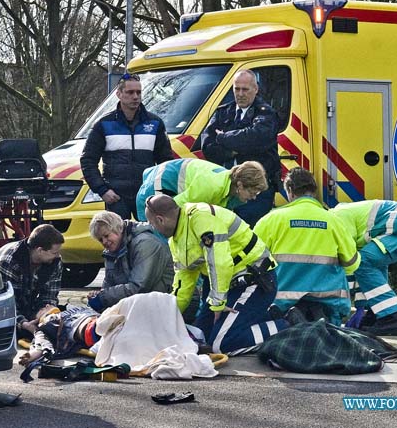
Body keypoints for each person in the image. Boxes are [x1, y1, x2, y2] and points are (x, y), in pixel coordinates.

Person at [144, 194, 287, 355]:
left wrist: (217, 303)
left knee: (223, 344)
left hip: (255, 281)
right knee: (198, 338)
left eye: (152, 223)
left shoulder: (200, 217)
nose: (153, 228)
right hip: (229, 287)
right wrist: (166, 316)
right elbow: (184, 284)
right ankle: (265, 316)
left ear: (160, 219)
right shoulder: (176, 240)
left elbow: (220, 262)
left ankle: (285, 325)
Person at [254, 168, 360, 326]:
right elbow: (352, 263)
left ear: (290, 190)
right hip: (328, 304)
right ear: (314, 190)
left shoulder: (271, 220)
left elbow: (252, 261)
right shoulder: (334, 220)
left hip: (281, 305)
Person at [331, 199, 397, 336]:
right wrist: (363, 308)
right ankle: (378, 313)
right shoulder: (342, 214)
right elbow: (363, 274)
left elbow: (351, 264)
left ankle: (390, 318)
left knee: (363, 263)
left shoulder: (336, 218)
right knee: (372, 263)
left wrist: (344, 308)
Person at [80, 73, 174, 219]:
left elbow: (166, 161)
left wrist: (161, 190)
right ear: (119, 94)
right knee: (118, 240)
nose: (135, 96)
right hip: (116, 196)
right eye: (130, 92)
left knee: (149, 238)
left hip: (146, 195)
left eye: (138, 92)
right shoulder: (103, 124)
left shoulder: (155, 123)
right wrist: (102, 190)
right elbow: (88, 160)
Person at [201, 69, 280, 226]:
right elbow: (207, 147)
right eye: (237, 89)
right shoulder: (223, 112)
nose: (240, 94)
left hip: (256, 192)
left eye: (245, 89)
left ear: (255, 89)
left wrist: (223, 137)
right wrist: (233, 150)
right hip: (227, 190)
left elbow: (255, 138)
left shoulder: (266, 113)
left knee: (250, 234)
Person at [86, 210, 174, 312]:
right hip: (143, 304)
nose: (104, 242)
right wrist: (99, 295)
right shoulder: (111, 252)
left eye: (106, 236)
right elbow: (109, 283)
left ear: (118, 229)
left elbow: (139, 286)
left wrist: (103, 298)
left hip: (166, 304)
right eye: (100, 240)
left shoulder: (145, 243)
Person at [135, 159, 268, 221]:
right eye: (252, 193)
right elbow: (174, 208)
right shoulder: (212, 186)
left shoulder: (231, 192)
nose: (254, 197)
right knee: (159, 241)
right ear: (240, 185)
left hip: (166, 184)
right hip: (156, 187)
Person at [0, 224, 64, 339]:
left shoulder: (55, 262)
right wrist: (23, 323)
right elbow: (5, 304)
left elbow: (49, 296)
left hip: (28, 305)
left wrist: (44, 316)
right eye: (54, 252)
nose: (57, 256)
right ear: (40, 250)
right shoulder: (10, 261)